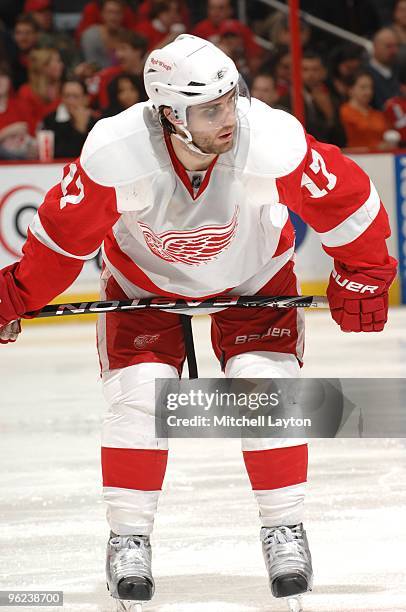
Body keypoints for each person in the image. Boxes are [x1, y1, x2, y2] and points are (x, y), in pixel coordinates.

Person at [0, 34, 397, 611]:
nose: (228, 116)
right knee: (139, 400)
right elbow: (62, 241)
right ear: (169, 113)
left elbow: (348, 200)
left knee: (268, 389)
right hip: (145, 286)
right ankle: (129, 536)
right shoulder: (118, 151)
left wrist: (365, 273)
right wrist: (13, 295)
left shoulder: (270, 138)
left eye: (229, 99)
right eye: (210, 109)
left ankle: (284, 528)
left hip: (254, 275)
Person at [42, 78, 98, 158]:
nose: (70, 101)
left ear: (86, 99)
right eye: (67, 96)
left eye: (75, 96)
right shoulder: (50, 121)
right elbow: (59, 154)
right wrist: (80, 129)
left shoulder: (96, 121)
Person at [340, 70, 392, 149]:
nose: (368, 92)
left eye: (370, 87)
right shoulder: (343, 112)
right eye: (363, 87)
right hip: (354, 157)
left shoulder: (378, 114)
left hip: (380, 158)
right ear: (350, 90)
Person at [18, 47, 64, 133]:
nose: (61, 65)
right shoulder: (26, 92)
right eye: (57, 61)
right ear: (44, 67)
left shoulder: (64, 89)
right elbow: (30, 126)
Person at [80, 0, 126, 69]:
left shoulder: (127, 37)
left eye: (117, 13)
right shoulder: (91, 36)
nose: (113, 17)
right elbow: (92, 66)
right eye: (110, 12)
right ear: (102, 14)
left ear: (122, 15)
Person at [366, 27, 401, 109]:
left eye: (396, 46)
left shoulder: (400, 69)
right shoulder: (365, 73)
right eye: (388, 46)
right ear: (375, 47)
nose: (394, 51)